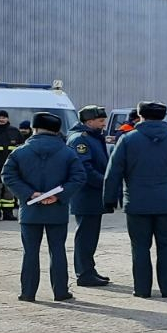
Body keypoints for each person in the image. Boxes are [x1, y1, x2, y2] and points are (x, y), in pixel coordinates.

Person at [105, 102, 167, 298]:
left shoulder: (128, 140)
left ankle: (142, 289)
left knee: (139, 247)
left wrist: (109, 199)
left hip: (137, 203)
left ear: (140, 115)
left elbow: (113, 171)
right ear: (164, 117)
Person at [1, 113, 85, 302]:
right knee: (57, 250)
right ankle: (61, 291)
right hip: (57, 209)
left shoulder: (20, 152)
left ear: (34, 128)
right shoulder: (68, 152)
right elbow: (79, 177)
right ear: (56, 130)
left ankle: (28, 292)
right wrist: (58, 195)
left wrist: (30, 193)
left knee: (30, 251)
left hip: (30, 209)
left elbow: (8, 175)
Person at [67, 106, 112, 287]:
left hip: (93, 195)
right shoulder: (80, 140)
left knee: (91, 235)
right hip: (86, 195)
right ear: (89, 121)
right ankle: (84, 273)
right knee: (86, 235)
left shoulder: (93, 137)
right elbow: (85, 169)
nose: (104, 124)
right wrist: (107, 183)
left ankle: (89, 269)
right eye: (101, 121)